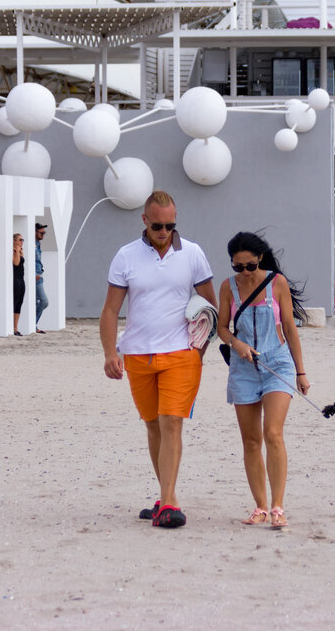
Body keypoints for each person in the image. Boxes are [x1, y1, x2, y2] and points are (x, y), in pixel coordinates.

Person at [100, 191, 215, 529]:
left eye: (170, 225)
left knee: (171, 422)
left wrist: (201, 350)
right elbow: (110, 309)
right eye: (158, 225)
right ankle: (165, 494)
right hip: (137, 353)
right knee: (153, 425)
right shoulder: (126, 256)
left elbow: (209, 305)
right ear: (145, 221)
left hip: (181, 354)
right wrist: (110, 352)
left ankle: (169, 502)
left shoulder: (192, 253)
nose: (164, 231)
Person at [217, 232, 308, 528]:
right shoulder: (228, 288)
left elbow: (291, 330)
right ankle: (260, 506)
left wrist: (301, 371)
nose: (244, 272)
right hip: (243, 368)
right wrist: (237, 344)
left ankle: (278, 506)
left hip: (277, 363)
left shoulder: (276, 283)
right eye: (238, 267)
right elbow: (221, 328)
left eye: (250, 266)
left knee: (272, 432)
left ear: (260, 260)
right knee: (251, 440)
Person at [34, 223, 49, 333]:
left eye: (44, 233)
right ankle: (33, 324)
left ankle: (33, 324)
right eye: (41, 233)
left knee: (37, 302)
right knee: (44, 301)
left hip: (39, 276)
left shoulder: (38, 244)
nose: (43, 235)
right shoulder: (32, 244)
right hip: (36, 277)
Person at [12, 233, 25, 336]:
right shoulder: (13, 250)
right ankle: (12, 327)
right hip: (15, 279)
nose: (22, 242)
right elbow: (16, 263)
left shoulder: (20, 250)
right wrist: (17, 250)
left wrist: (20, 251)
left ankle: (16, 326)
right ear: (14, 240)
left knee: (19, 302)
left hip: (21, 278)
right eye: (20, 240)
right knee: (15, 301)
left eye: (22, 240)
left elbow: (22, 260)